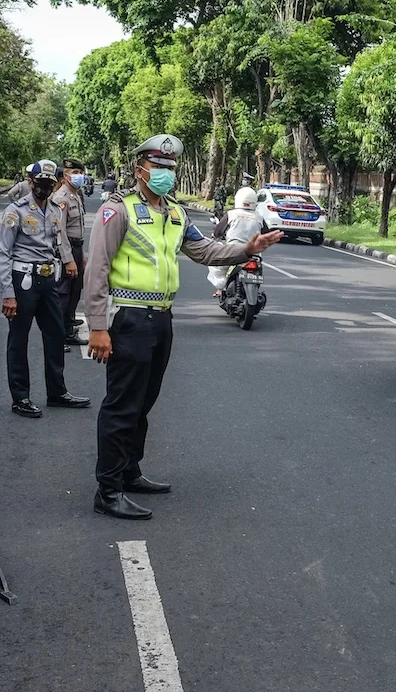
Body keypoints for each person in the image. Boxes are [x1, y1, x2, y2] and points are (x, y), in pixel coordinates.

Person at [84, 134, 284, 520]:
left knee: (144, 403)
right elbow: (97, 268)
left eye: (170, 169)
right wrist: (97, 326)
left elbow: (205, 250)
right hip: (127, 318)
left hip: (161, 320)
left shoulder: (175, 214)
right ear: (139, 168)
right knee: (121, 407)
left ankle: (129, 471)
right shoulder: (118, 211)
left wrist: (247, 250)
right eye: (158, 167)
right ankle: (107, 490)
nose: (165, 174)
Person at [0, 160, 90, 418]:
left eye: (49, 184)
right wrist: (8, 294)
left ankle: (57, 392)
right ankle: (21, 397)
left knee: (55, 335)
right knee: (19, 340)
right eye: (40, 183)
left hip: (48, 279)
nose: (44, 188)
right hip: (23, 281)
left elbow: (57, 242)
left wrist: (69, 262)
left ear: (55, 184)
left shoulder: (54, 210)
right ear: (30, 182)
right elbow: (3, 254)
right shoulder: (14, 212)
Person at [207, 187, 269, 295]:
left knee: (216, 264)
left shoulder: (231, 214)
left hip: (233, 251)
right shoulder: (259, 217)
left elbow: (218, 232)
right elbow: (266, 235)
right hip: (254, 254)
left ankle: (220, 288)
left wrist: (215, 236)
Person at [52, 158, 88, 345]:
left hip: (76, 248)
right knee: (64, 293)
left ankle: (68, 325)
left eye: (80, 173)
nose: (79, 176)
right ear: (65, 176)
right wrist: (68, 259)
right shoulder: (61, 198)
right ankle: (60, 335)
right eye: (74, 173)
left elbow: (78, 227)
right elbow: (60, 231)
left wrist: (82, 255)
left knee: (75, 289)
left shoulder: (76, 195)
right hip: (66, 250)